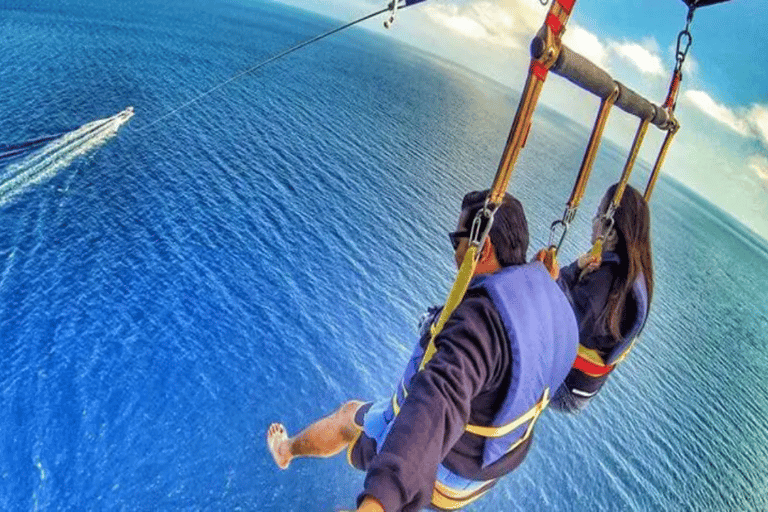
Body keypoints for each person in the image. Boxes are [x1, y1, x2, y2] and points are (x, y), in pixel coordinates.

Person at [267, 190, 579, 512]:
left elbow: (437, 402)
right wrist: (550, 279)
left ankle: (286, 450)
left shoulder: (480, 324)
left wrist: (377, 503)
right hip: (483, 471)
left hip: (442, 471)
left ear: (481, 248)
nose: (455, 253)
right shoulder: (551, 307)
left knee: (350, 416)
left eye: (456, 240)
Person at [551, 183, 654, 413]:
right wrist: (577, 268)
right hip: (582, 388)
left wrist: (563, 274)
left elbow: (555, 312)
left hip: (565, 388)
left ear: (610, 229)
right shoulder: (631, 275)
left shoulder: (601, 287)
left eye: (598, 214)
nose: (593, 220)